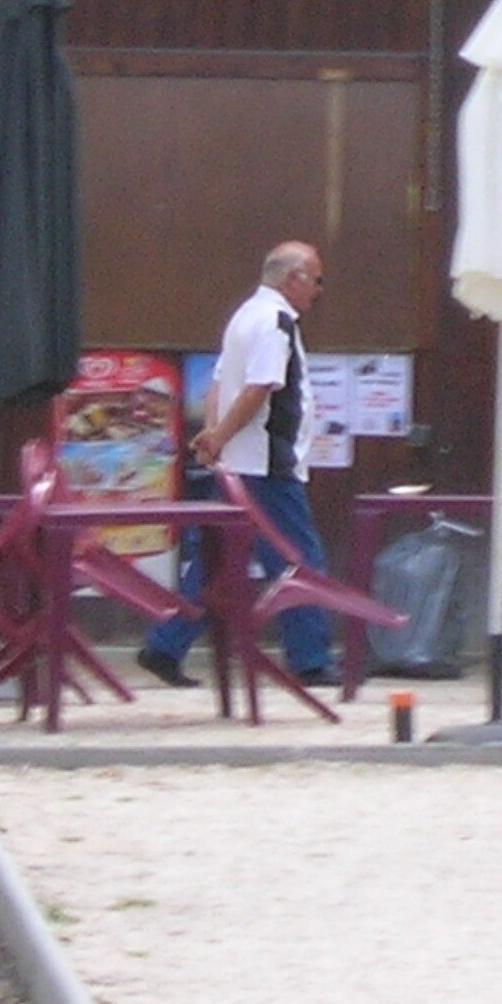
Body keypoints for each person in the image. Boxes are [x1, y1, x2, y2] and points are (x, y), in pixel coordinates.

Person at [138, 241, 337, 689]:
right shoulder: (276, 321)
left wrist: (213, 436)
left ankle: (165, 645)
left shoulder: (244, 315)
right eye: (317, 280)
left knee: (217, 561)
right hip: (267, 465)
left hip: (239, 463)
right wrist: (220, 436)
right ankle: (311, 660)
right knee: (299, 561)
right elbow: (259, 388)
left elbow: (219, 383)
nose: (319, 290)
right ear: (294, 278)